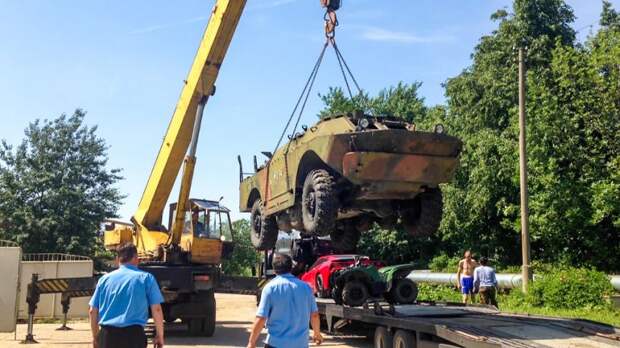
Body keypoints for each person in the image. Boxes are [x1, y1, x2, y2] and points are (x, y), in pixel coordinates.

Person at [89, 243, 165, 348]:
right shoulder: (146, 278)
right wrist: (160, 335)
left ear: (118, 258)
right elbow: (156, 309)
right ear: (136, 257)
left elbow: (93, 311)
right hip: (134, 336)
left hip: (107, 336)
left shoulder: (104, 280)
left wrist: (96, 337)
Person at [247, 253, 323, 348]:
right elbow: (314, 315)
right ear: (291, 267)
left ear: (274, 269)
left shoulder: (270, 288)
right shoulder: (306, 288)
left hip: (275, 344)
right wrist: (317, 333)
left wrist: (251, 342)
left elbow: (261, 318)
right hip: (300, 345)